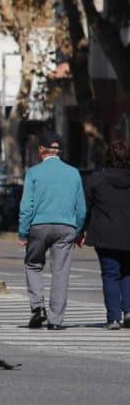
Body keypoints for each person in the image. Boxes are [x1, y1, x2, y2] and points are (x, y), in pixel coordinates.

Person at [18, 131, 87, 330]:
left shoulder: (33, 173)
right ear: (59, 152)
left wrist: (23, 233)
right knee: (60, 271)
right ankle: (56, 320)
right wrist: (79, 230)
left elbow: (26, 207)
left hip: (38, 226)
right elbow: (81, 208)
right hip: (66, 227)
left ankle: (38, 307)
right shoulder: (73, 173)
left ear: (41, 151)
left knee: (33, 264)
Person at [83, 140, 130, 330]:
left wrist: (80, 229)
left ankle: (113, 318)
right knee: (128, 272)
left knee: (110, 275)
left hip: (105, 235)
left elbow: (85, 207)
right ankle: (128, 311)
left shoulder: (97, 179)